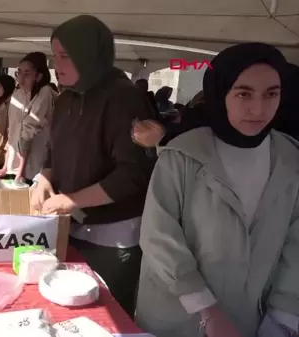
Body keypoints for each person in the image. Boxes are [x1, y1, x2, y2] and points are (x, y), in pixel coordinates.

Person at [135, 42, 299, 337]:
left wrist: (283, 319)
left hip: (253, 321)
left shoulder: (291, 161)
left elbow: (297, 245)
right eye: (243, 93)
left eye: (271, 94)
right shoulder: (183, 156)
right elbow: (159, 237)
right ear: (221, 92)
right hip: (175, 320)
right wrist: (207, 310)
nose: (258, 108)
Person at [32, 15, 155, 317]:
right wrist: (44, 178)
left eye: (65, 56)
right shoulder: (64, 100)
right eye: (54, 55)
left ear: (89, 55)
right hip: (70, 227)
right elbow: (54, 151)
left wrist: (72, 200)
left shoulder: (125, 98)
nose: (55, 64)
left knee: (105, 317)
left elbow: (132, 175)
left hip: (114, 238)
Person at [0, 52, 55, 184]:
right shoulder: (17, 95)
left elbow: (29, 131)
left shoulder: (45, 93)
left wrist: (21, 170)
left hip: (32, 168)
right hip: (14, 166)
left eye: (27, 74)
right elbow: (12, 132)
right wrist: (6, 164)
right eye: (19, 73)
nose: (21, 79)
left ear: (38, 75)